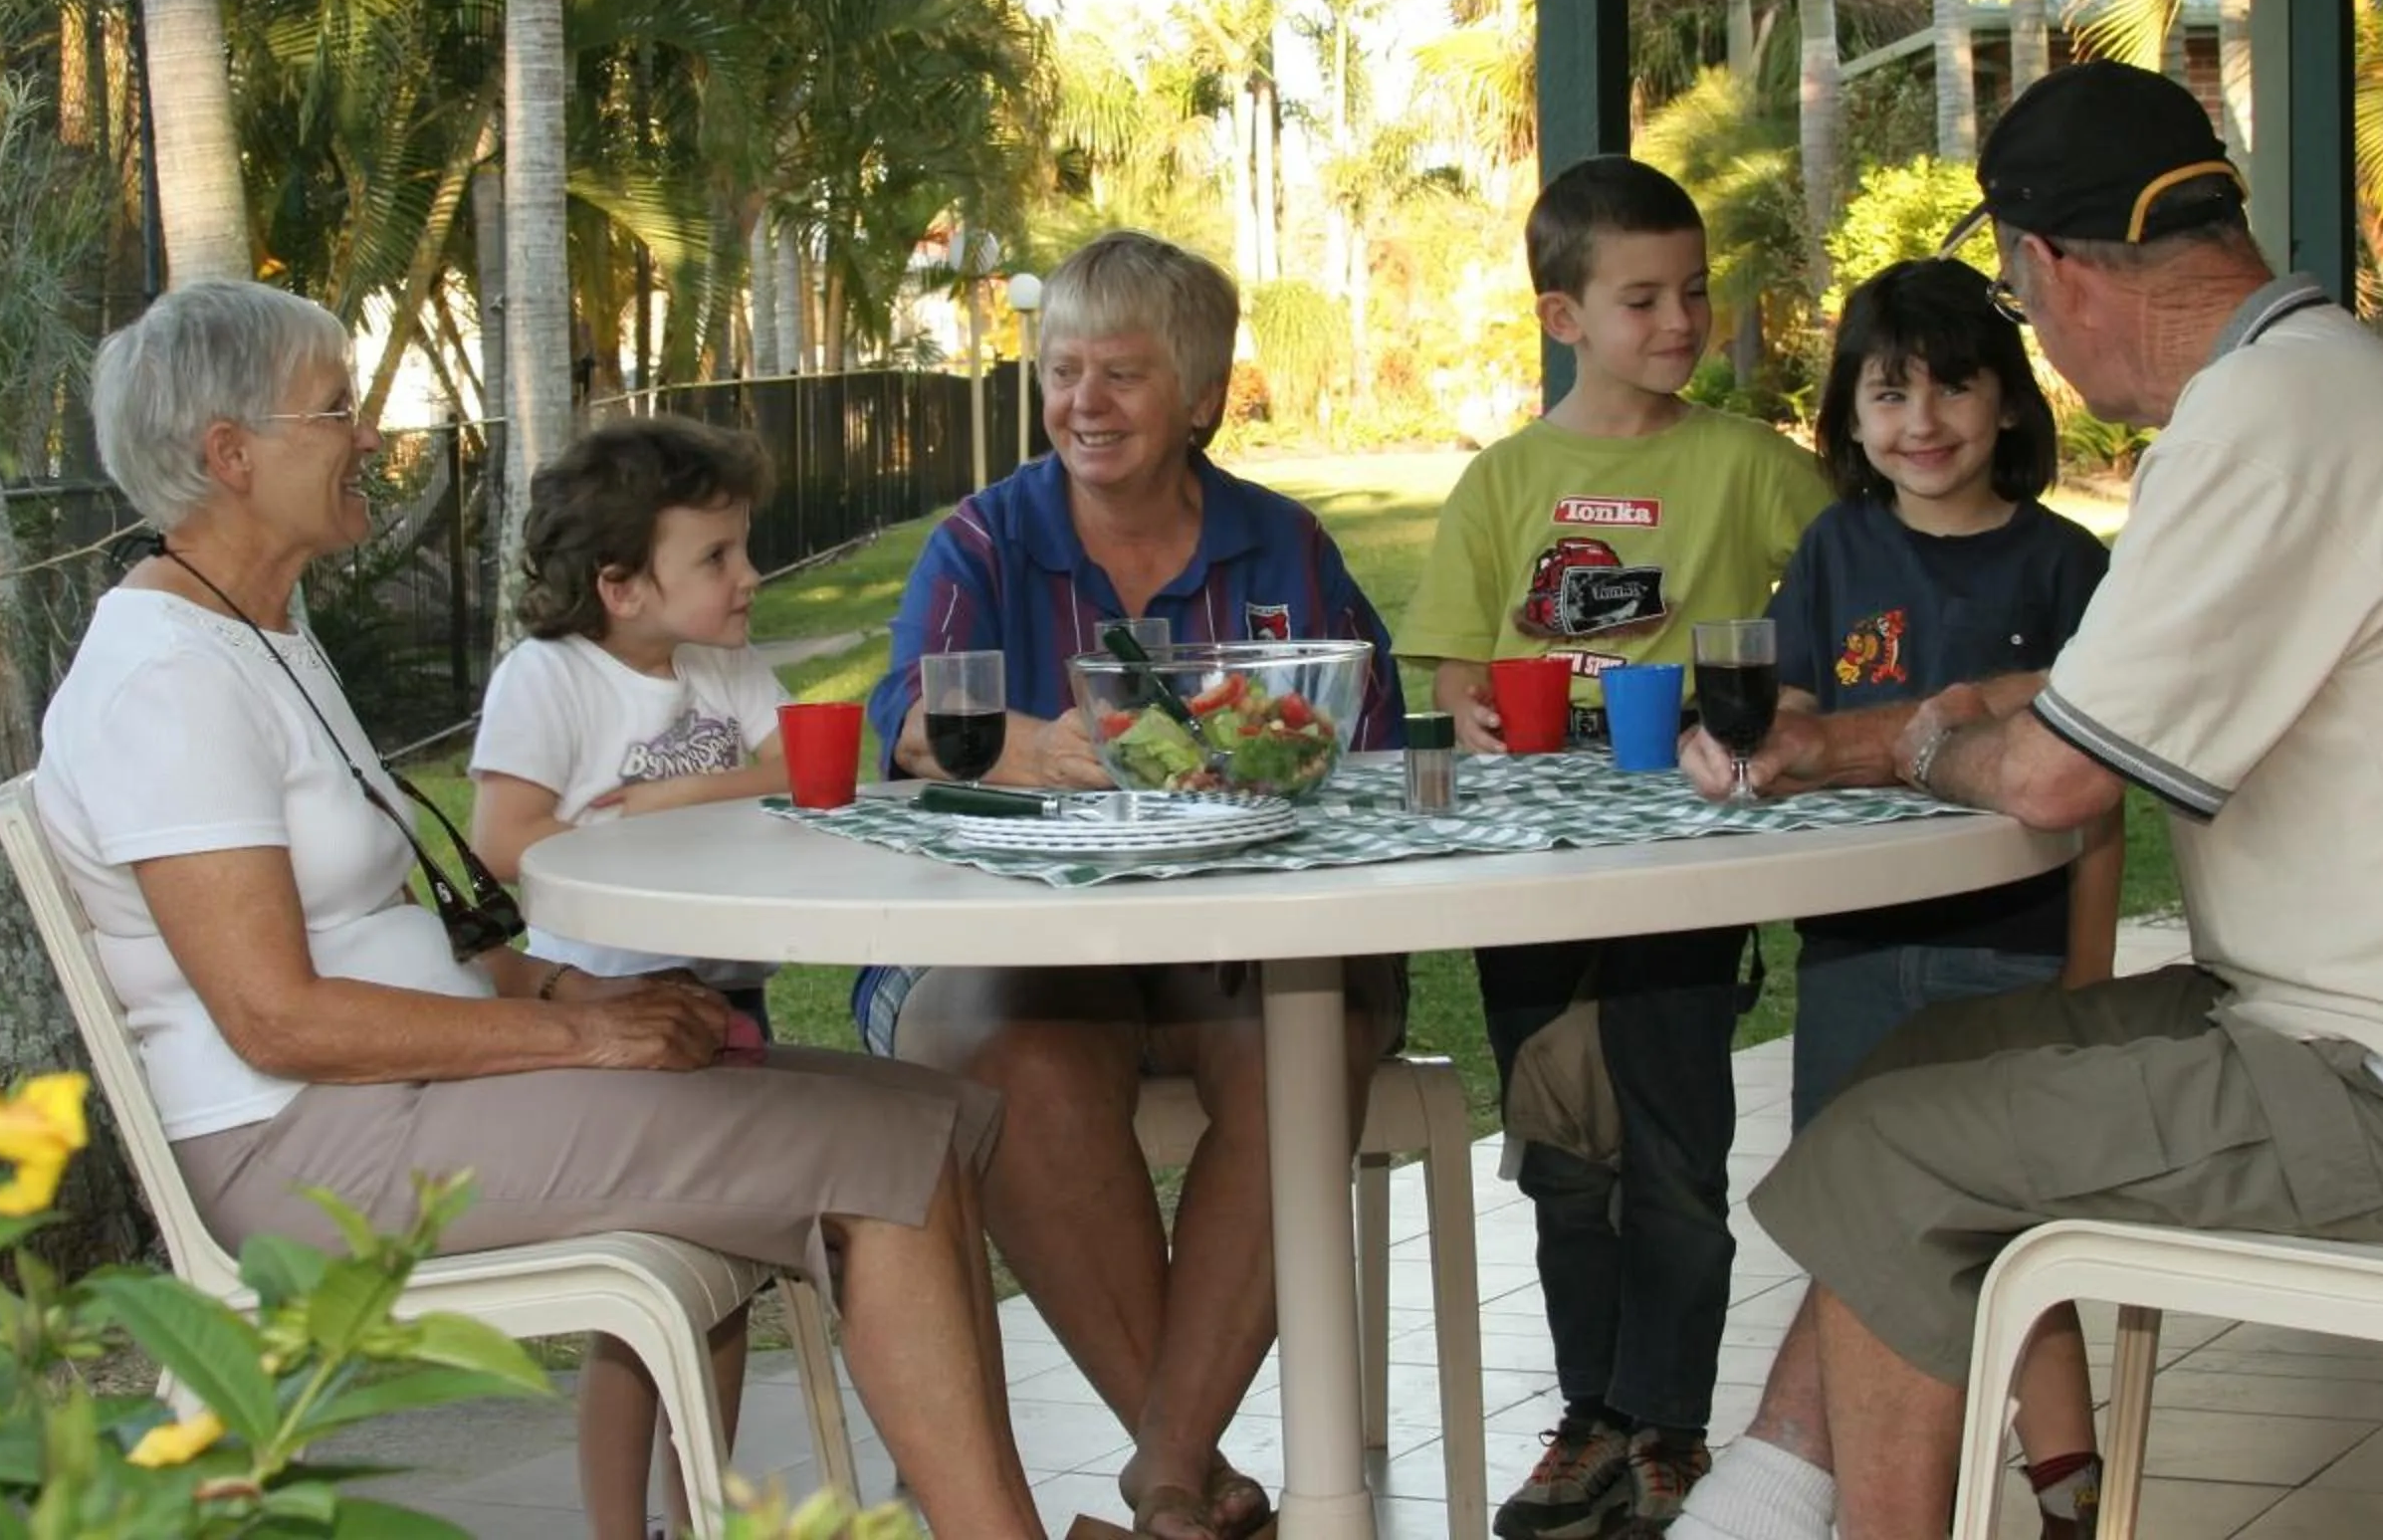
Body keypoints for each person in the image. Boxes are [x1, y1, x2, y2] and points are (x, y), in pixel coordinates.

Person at [1676, 62, 2383, 1540]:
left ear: (2056, 270)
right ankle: (1759, 1504)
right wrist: (1884, 736)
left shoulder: (2266, 420)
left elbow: (2058, 773)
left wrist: (1917, 743)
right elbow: (2091, 691)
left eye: (2014, 309)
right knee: (1912, 1075)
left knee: (1894, 1156)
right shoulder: (2336, 381)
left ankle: (1770, 1511)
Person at [35, 281, 1044, 1540]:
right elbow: (275, 1017)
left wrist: (571, 989)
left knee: (932, 1119)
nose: (369, 435)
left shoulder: (257, 633)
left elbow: (388, 926)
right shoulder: (164, 679)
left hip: (413, 1093)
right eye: (335, 409)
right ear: (227, 457)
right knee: (888, 1158)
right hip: (302, 1145)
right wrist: (580, 1038)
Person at [862, 229, 1405, 1540]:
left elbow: (1371, 732)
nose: (1083, 405)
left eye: (1122, 375)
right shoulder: (986, 543)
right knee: (1012, 1071)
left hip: (1251, 941)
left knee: (1303, 1053)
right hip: (1033, 953)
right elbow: (904, 722)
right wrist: (1025, 747)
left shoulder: (1286, 548)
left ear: (1203, 397)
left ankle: (1167, 1484)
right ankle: (1187, 1483)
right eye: (1062, 374)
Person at [1392, 155, 1830, 1540]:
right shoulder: (1508, 478)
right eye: (1641, 298)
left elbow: (1854, 593)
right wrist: (1480, 711)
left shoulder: (1746, 466)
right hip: (1532, 872)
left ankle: (1668, 1431)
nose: (1682, 320)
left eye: (1694, 292)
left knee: (1676, 1152)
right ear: (1563, 315)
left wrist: (1793, 704)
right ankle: (1589, 1419)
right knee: (1563, 1154)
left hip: (1684, 867)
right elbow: (1452, 671)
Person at [1758, 256, 2119, 1539]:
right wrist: (1743, 740)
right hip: (1853, 957)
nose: (1922, 419)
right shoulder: (1833, 548)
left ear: (2013, 403)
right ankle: (1863, 1491)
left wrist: (2087, 975)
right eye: (1888, 389)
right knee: (1861, 1240)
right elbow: (1789, 711)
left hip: (2006, 959)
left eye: (1955, 385)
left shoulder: (2066, 566)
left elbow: (2100, 807)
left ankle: (2070, 1493)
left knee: (2017, 1244)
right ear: (1848, 417)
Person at [466, 413, 799, 1539]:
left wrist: (661, 799)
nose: (748, 576)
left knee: (721, 1287)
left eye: (742, 548)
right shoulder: (549, 679)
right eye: (716, 556)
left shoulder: (727, 664)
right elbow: (505, 836)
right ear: (621, 584)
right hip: (613, 1017)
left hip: (725, 998)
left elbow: (809, 761)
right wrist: (724, 792)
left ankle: (695, 1515)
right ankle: (626, 1528)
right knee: (653, 1298)